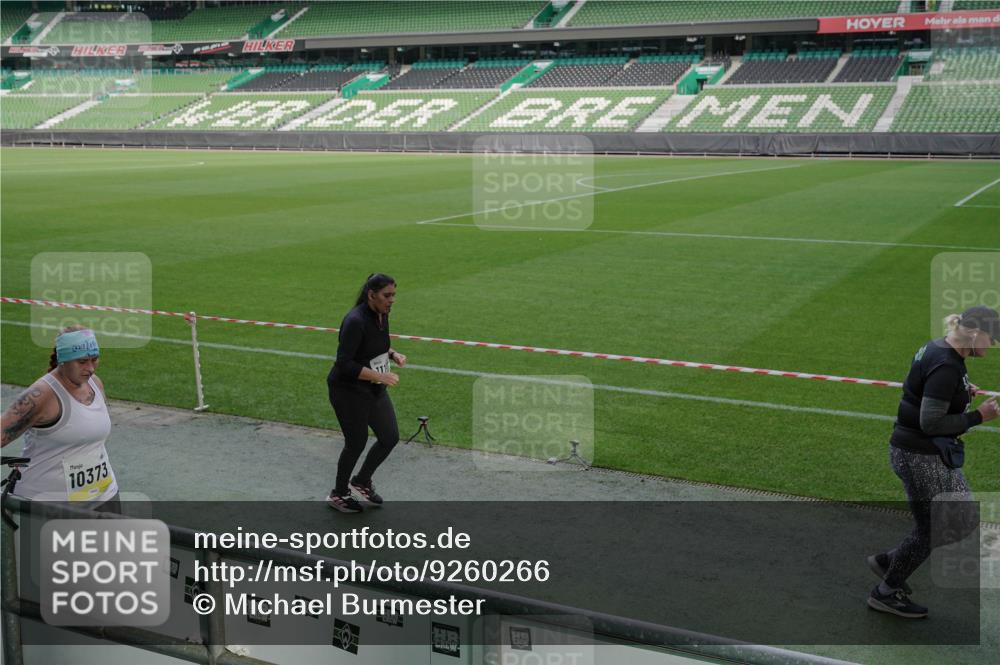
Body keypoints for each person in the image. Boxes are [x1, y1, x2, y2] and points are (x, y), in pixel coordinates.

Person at [867, 306, 999, 618]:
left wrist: (961, 393)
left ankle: (890, 561)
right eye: (991, 340)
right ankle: (886, 591)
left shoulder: (939, 348)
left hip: (923, 454)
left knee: (961, 517)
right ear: (975, 333)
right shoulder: (946, 365)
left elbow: (921, 390)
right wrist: (979, 415)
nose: (992, 346)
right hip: (920, 456)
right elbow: (931, 423)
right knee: (937, 527)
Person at [1, 326, 120, 511]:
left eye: (94, 359)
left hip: (104, 498)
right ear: (63, 360)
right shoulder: (41, 395)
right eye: (82, 361)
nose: (90, 368)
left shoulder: (95, 383)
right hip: (49, 507)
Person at [326, 273, 407, 513]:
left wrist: (392, 354)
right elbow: (344, 363)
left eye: (393, 295)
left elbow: (376, 344)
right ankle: (338, 494)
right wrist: (380, 376)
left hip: (372, 389)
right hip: (348, 391)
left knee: (389, 436)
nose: (391, 300)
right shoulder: (355, 320)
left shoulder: (381, 315)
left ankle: (361, 480)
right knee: (356, 442)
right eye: (387, 295)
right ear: (371, 295)